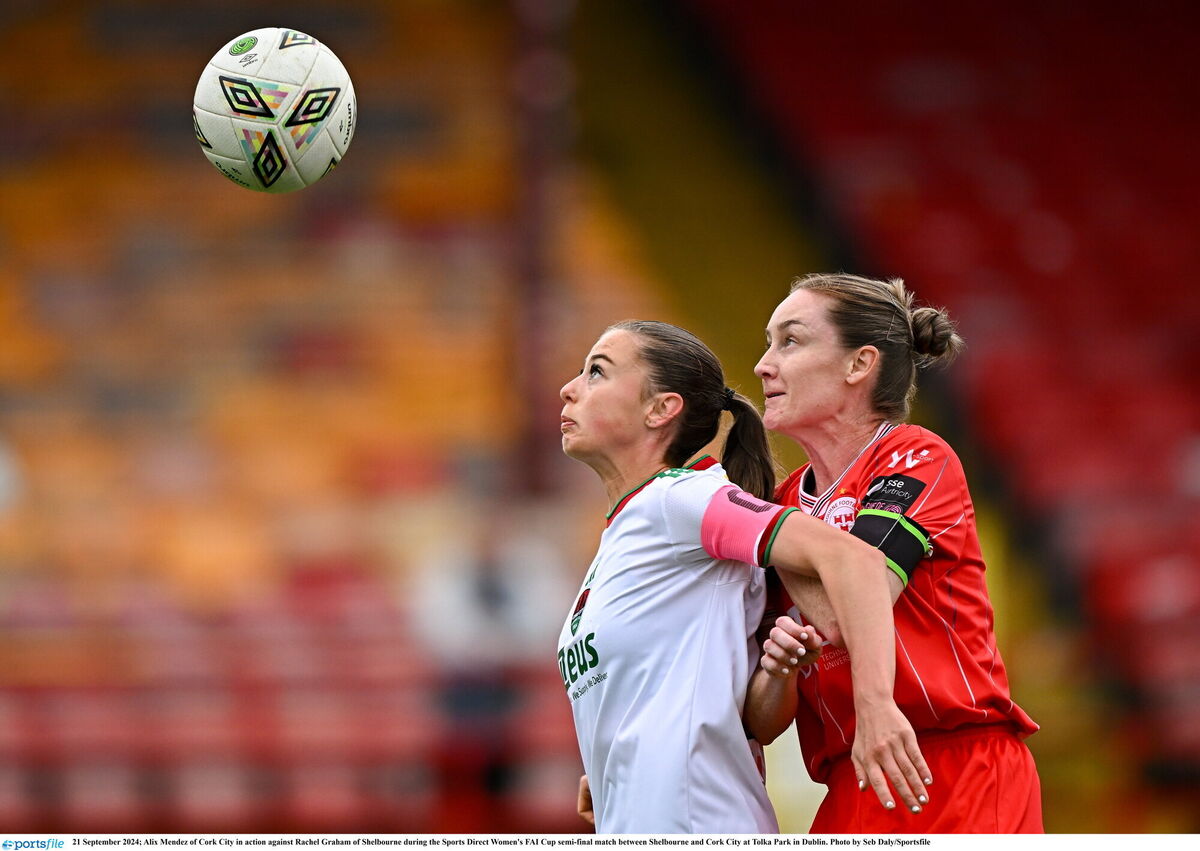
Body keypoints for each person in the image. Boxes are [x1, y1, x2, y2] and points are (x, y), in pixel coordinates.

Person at [557, 319, 930, 833]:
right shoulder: (631, 528)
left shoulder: (681, 499)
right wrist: (614, 761)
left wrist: (875, 708)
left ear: (660, 408)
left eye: (596, 372)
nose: (569, 389)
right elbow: (752, 719)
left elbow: (855, 559)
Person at [745, 273, 1043, 833]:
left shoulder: (914, 456)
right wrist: (778, 669)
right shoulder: (781, 507)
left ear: (859, 364)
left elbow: (858, 595)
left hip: (956, 765)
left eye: (790, 341)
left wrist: (759, 530)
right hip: (849, 779)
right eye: (767, 342)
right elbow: (761, 722)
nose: (764, 364)